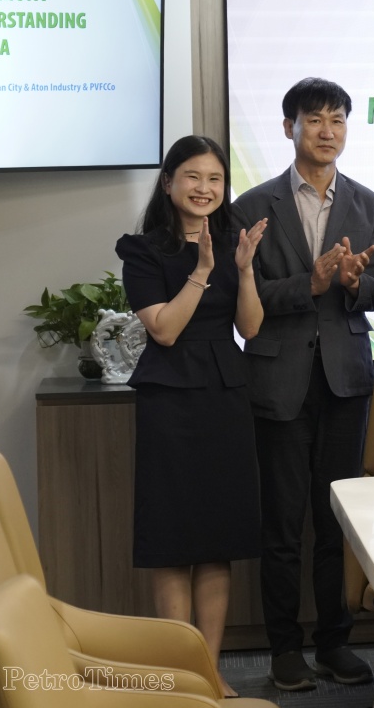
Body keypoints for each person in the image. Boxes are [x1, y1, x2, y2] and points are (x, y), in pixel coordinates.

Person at [233, 78, 374, 691]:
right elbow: (245, 297)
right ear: (288, 127)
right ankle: (283, 649)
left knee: (335, 520)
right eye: (315, 119)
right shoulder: (252, 204)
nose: (328, 131)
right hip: (279, 379)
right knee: (282, 524)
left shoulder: (367, 201)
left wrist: (352, 283)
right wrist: (313, 285)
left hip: (345, 380)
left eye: (338, 120)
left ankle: (334, 643)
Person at [116, 136, 267, 698]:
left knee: (215, 541)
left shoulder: (232, 243)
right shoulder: (142, 250)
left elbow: (249, 328)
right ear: (168, 183)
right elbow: (165, 329)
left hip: (224, 396)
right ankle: (179, 674)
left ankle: (209, 669)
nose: (205, 188)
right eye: (193, 177)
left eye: (215, 179)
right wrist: (202, 269)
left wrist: (243, 271)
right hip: (171, 400)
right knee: (174, 542)